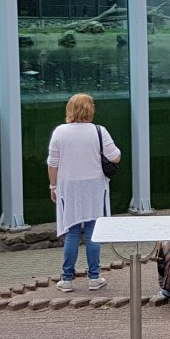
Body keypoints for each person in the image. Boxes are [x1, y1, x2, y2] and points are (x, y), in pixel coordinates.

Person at [46, 93, 120, 293]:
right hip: (95, 187)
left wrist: (53, 187)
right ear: (90, 109)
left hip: (68, 186)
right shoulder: (99, 131)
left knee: (71, 231)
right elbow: (115, 157)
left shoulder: (60, 132)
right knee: (92, 231)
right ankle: (94, 277)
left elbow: (52, 164)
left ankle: (67, 278)